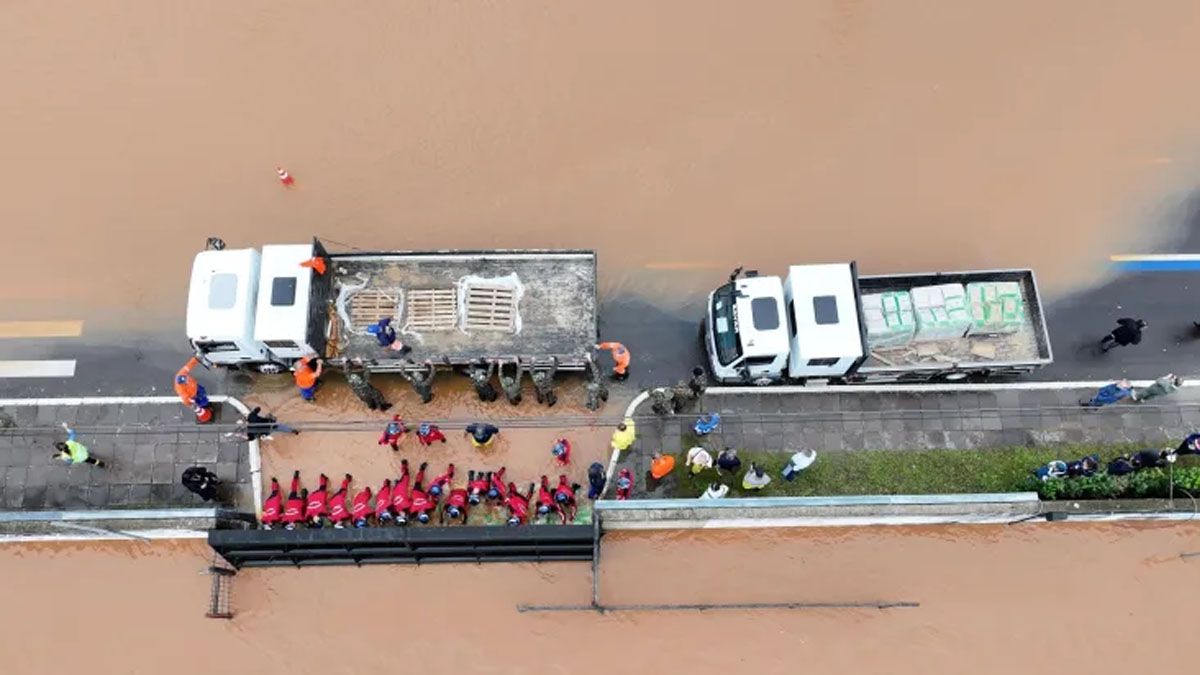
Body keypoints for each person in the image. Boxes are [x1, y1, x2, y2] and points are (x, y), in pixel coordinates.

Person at [226, 406, 298, 442]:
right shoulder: (251, 416)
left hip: (266, 432)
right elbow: (258, 409)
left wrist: (240, 435)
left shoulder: (250, 431)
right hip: (270, 424)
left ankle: (264, 437)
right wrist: (254, 411)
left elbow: (250, 439)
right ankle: (293, 431)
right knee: (281, 427)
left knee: (264, 435)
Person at [391, 460, 413, 525]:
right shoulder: (405, 507)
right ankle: (404, 465)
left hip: (399, 487)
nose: (402, 515)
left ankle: (404, 464)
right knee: (405, 474)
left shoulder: (395, 509)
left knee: (406, 474)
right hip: (400, 487)